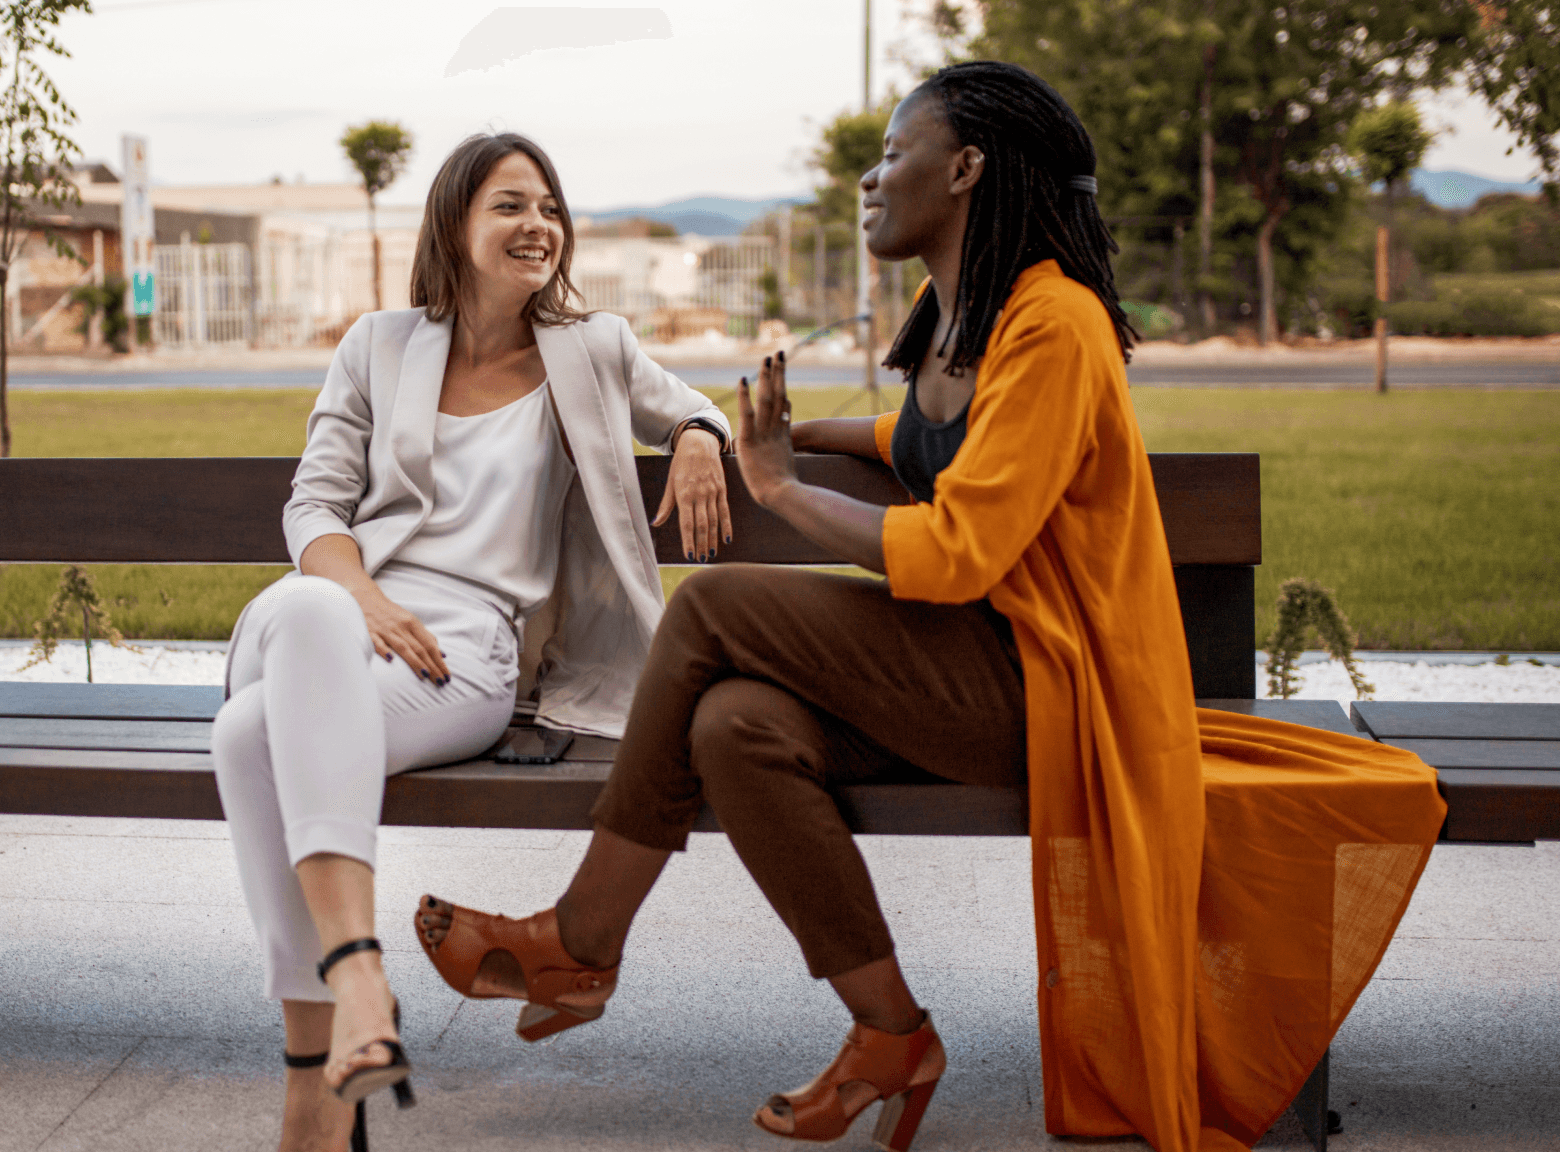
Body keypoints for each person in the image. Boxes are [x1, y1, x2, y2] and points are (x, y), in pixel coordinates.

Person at [415, 62, 1445, 1152]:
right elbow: (922, 445)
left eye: (893, 154)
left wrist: (778, 494)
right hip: (972, 671)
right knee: (736, 728)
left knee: (712, 608)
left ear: (964, 170)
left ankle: (581, 938)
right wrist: (785, 436)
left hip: (1049, 683)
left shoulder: (1059, 324)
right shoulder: (961, 309)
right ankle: (889, 1035)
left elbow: (959, 553)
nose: (871, 176)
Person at [210, 131, 733, 1152]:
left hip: (461, 661)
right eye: (508, 204)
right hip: (336, 612)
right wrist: (360, 594)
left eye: (547, 206)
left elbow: (694, 408)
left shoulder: (594, 347)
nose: (536, 223)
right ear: (455, 221)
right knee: (307, 611)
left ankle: (313, 1089)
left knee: (244, 738)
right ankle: (360, 985)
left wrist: (704, 439)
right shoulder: (379, 344)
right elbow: (314, 504)